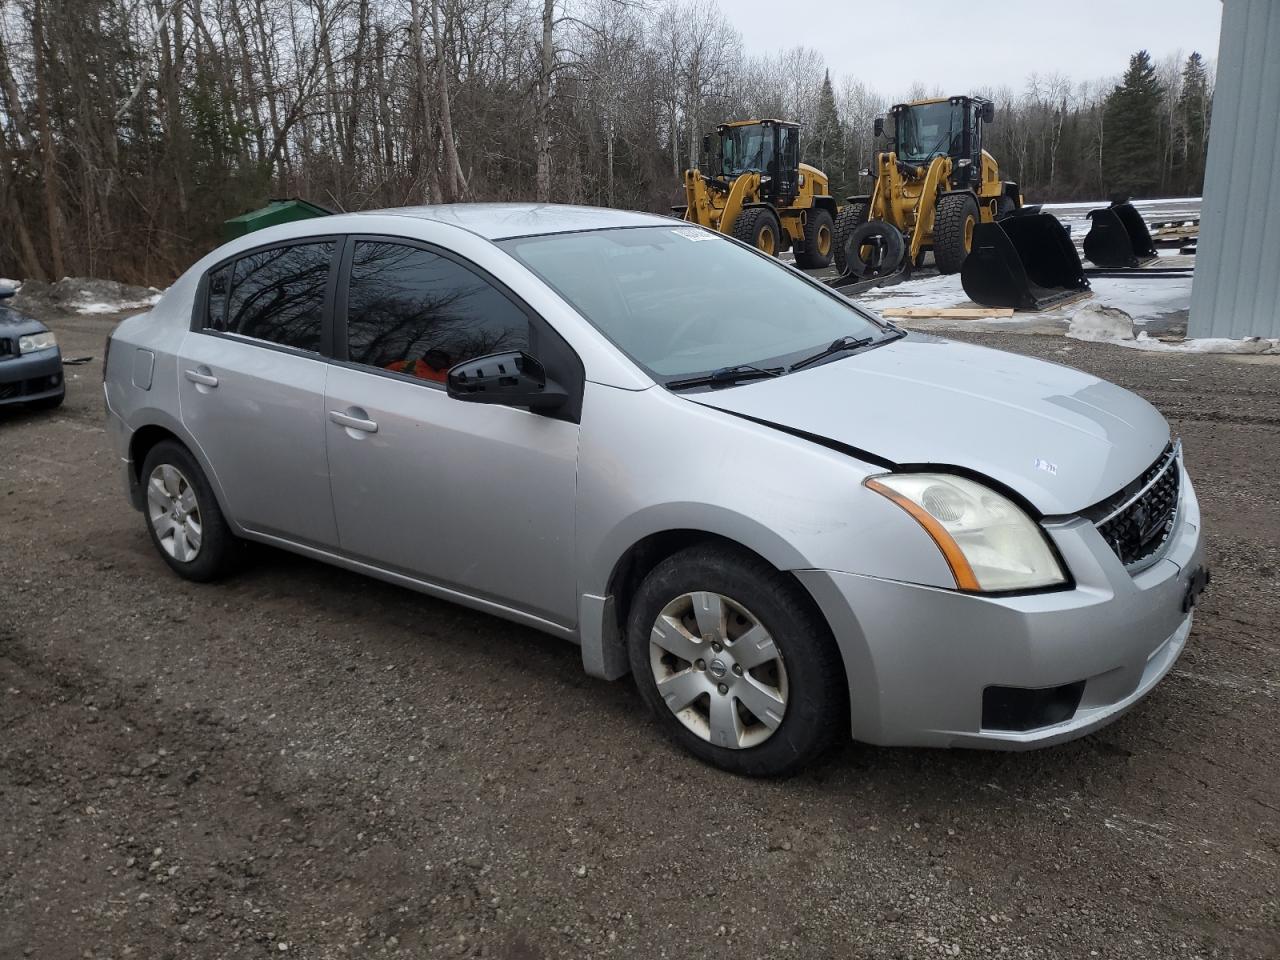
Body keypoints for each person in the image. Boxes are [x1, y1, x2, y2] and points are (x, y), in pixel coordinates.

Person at [386, 347, 452, 383]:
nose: (436, 360)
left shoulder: (451, 376)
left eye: (442, 358)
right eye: (432, 356)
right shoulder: (404, 366)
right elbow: (382, 381)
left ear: (447, 362)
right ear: (426, 356)